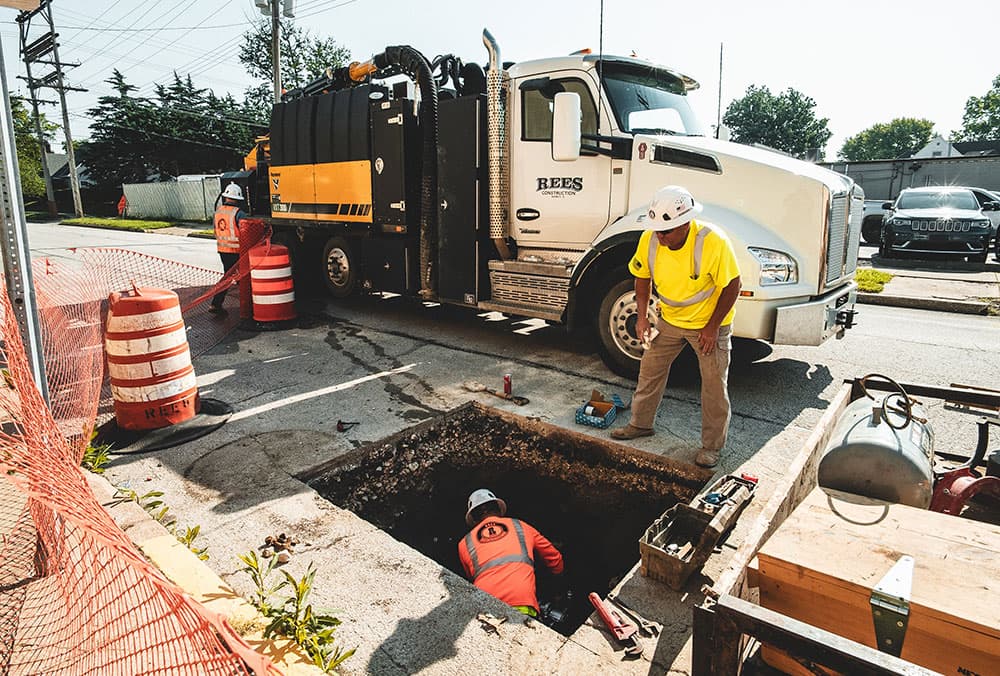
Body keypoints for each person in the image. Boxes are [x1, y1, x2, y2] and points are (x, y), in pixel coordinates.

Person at [610, 185, 741, 469]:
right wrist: (642, 317)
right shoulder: (650, 239)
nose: (660, 236)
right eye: (657, 230)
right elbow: (642, 277)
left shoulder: (713, 241)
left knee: (713, 386)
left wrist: (712, 328)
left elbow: (733, 285)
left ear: (685, 223)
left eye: (666, 231)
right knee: (649, 371)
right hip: (669, 319)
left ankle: (711, 446)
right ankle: (640, 425)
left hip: (707, 324)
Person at [457, 489, 563, 618]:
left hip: (483, 606)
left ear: (473, 518)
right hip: (522, 603)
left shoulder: (464, 543)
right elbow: (555, 559)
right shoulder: (520, 526)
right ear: (498, 508)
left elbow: (472, 577)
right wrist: (557, 593)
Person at [210, 182, 246, 314]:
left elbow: (216, 230)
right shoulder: (239, 213)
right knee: (234, 277)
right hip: (236, 251)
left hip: (223, 250)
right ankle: (216, 303)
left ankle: (218, 304)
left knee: (232, 276)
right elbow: (245, 232)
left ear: (226, 197)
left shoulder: (218, 212)